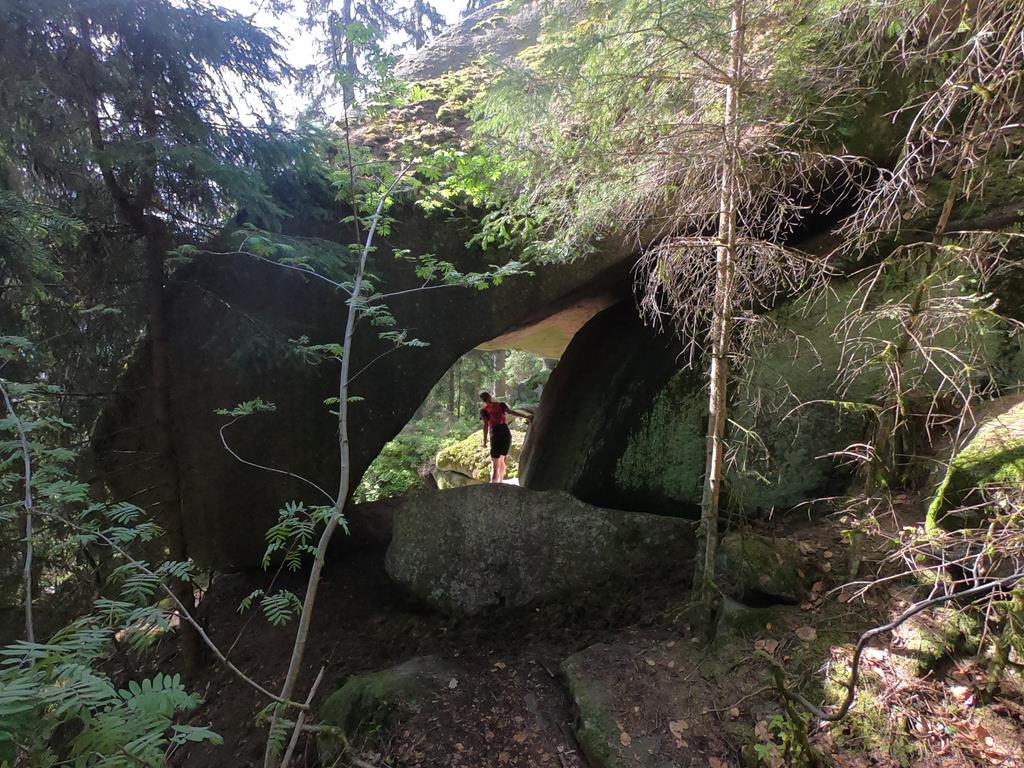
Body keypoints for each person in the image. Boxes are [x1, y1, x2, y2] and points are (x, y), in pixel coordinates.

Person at [479, 391, 531, 483]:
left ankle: (494, 486)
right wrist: (526, 416)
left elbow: (485, 425)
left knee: (495, 464)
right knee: (503, 459)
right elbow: (511, 412)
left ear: (482, 400)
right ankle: (501, 482)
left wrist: (484, 441)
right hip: (505, 433)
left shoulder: (484, 410)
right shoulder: (501, 405)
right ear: (490, 396)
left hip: (495, 435)